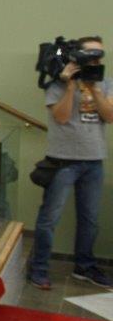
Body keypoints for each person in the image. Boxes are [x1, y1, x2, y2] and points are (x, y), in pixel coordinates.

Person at [28, 36, 113, 290]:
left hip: (94, 161)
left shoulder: (106, 83)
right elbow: (62, 117)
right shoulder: (57, 83)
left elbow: (109, 117)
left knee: (90, 219)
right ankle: (39, 268)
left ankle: (84, 267)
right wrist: (71, 86)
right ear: (77, 56)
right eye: (90, 55)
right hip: (63, 162)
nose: (95, 60)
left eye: (99, 56)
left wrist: (95, 88)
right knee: (49, 218)